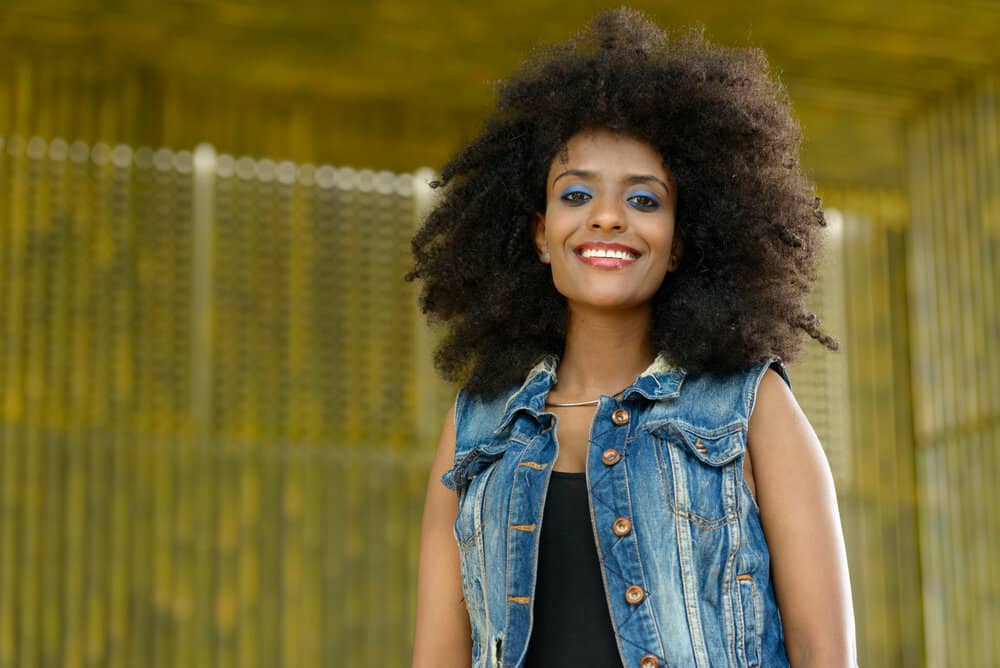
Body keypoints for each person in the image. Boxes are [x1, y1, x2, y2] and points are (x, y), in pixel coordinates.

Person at [408, 8, 856, 668]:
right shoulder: (478, 426)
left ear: (678, 244)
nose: (609, 216)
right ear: (539, 233)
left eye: (644, 200)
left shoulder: (749, 409)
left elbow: (825, 654)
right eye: (577, 195)